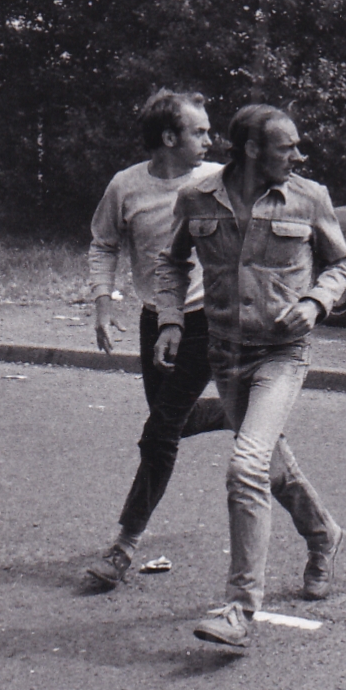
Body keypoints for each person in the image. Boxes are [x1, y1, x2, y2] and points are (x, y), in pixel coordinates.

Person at [157, 104, 346, 649]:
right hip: (225, 354)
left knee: (245, 465)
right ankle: (324, 534)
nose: (299, 155)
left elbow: (342, 263)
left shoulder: (310, 197)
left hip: (283, 355)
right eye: (287, 146)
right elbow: (170, 263)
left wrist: (315, 302)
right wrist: (171, 320)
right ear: (251, 149)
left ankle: (240, 609)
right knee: (269, 465)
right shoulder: (196, 199)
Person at [81, 90, 233, 588]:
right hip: (156, 321)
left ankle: (124, 546)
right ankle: (240, 411)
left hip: (208, 321)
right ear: (169, 138)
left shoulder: (217, 183)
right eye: (200, 131)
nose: (211, 140)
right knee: (179, 420)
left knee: (160, 433)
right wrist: (104, 302)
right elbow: (103, 243)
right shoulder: (125, 186)